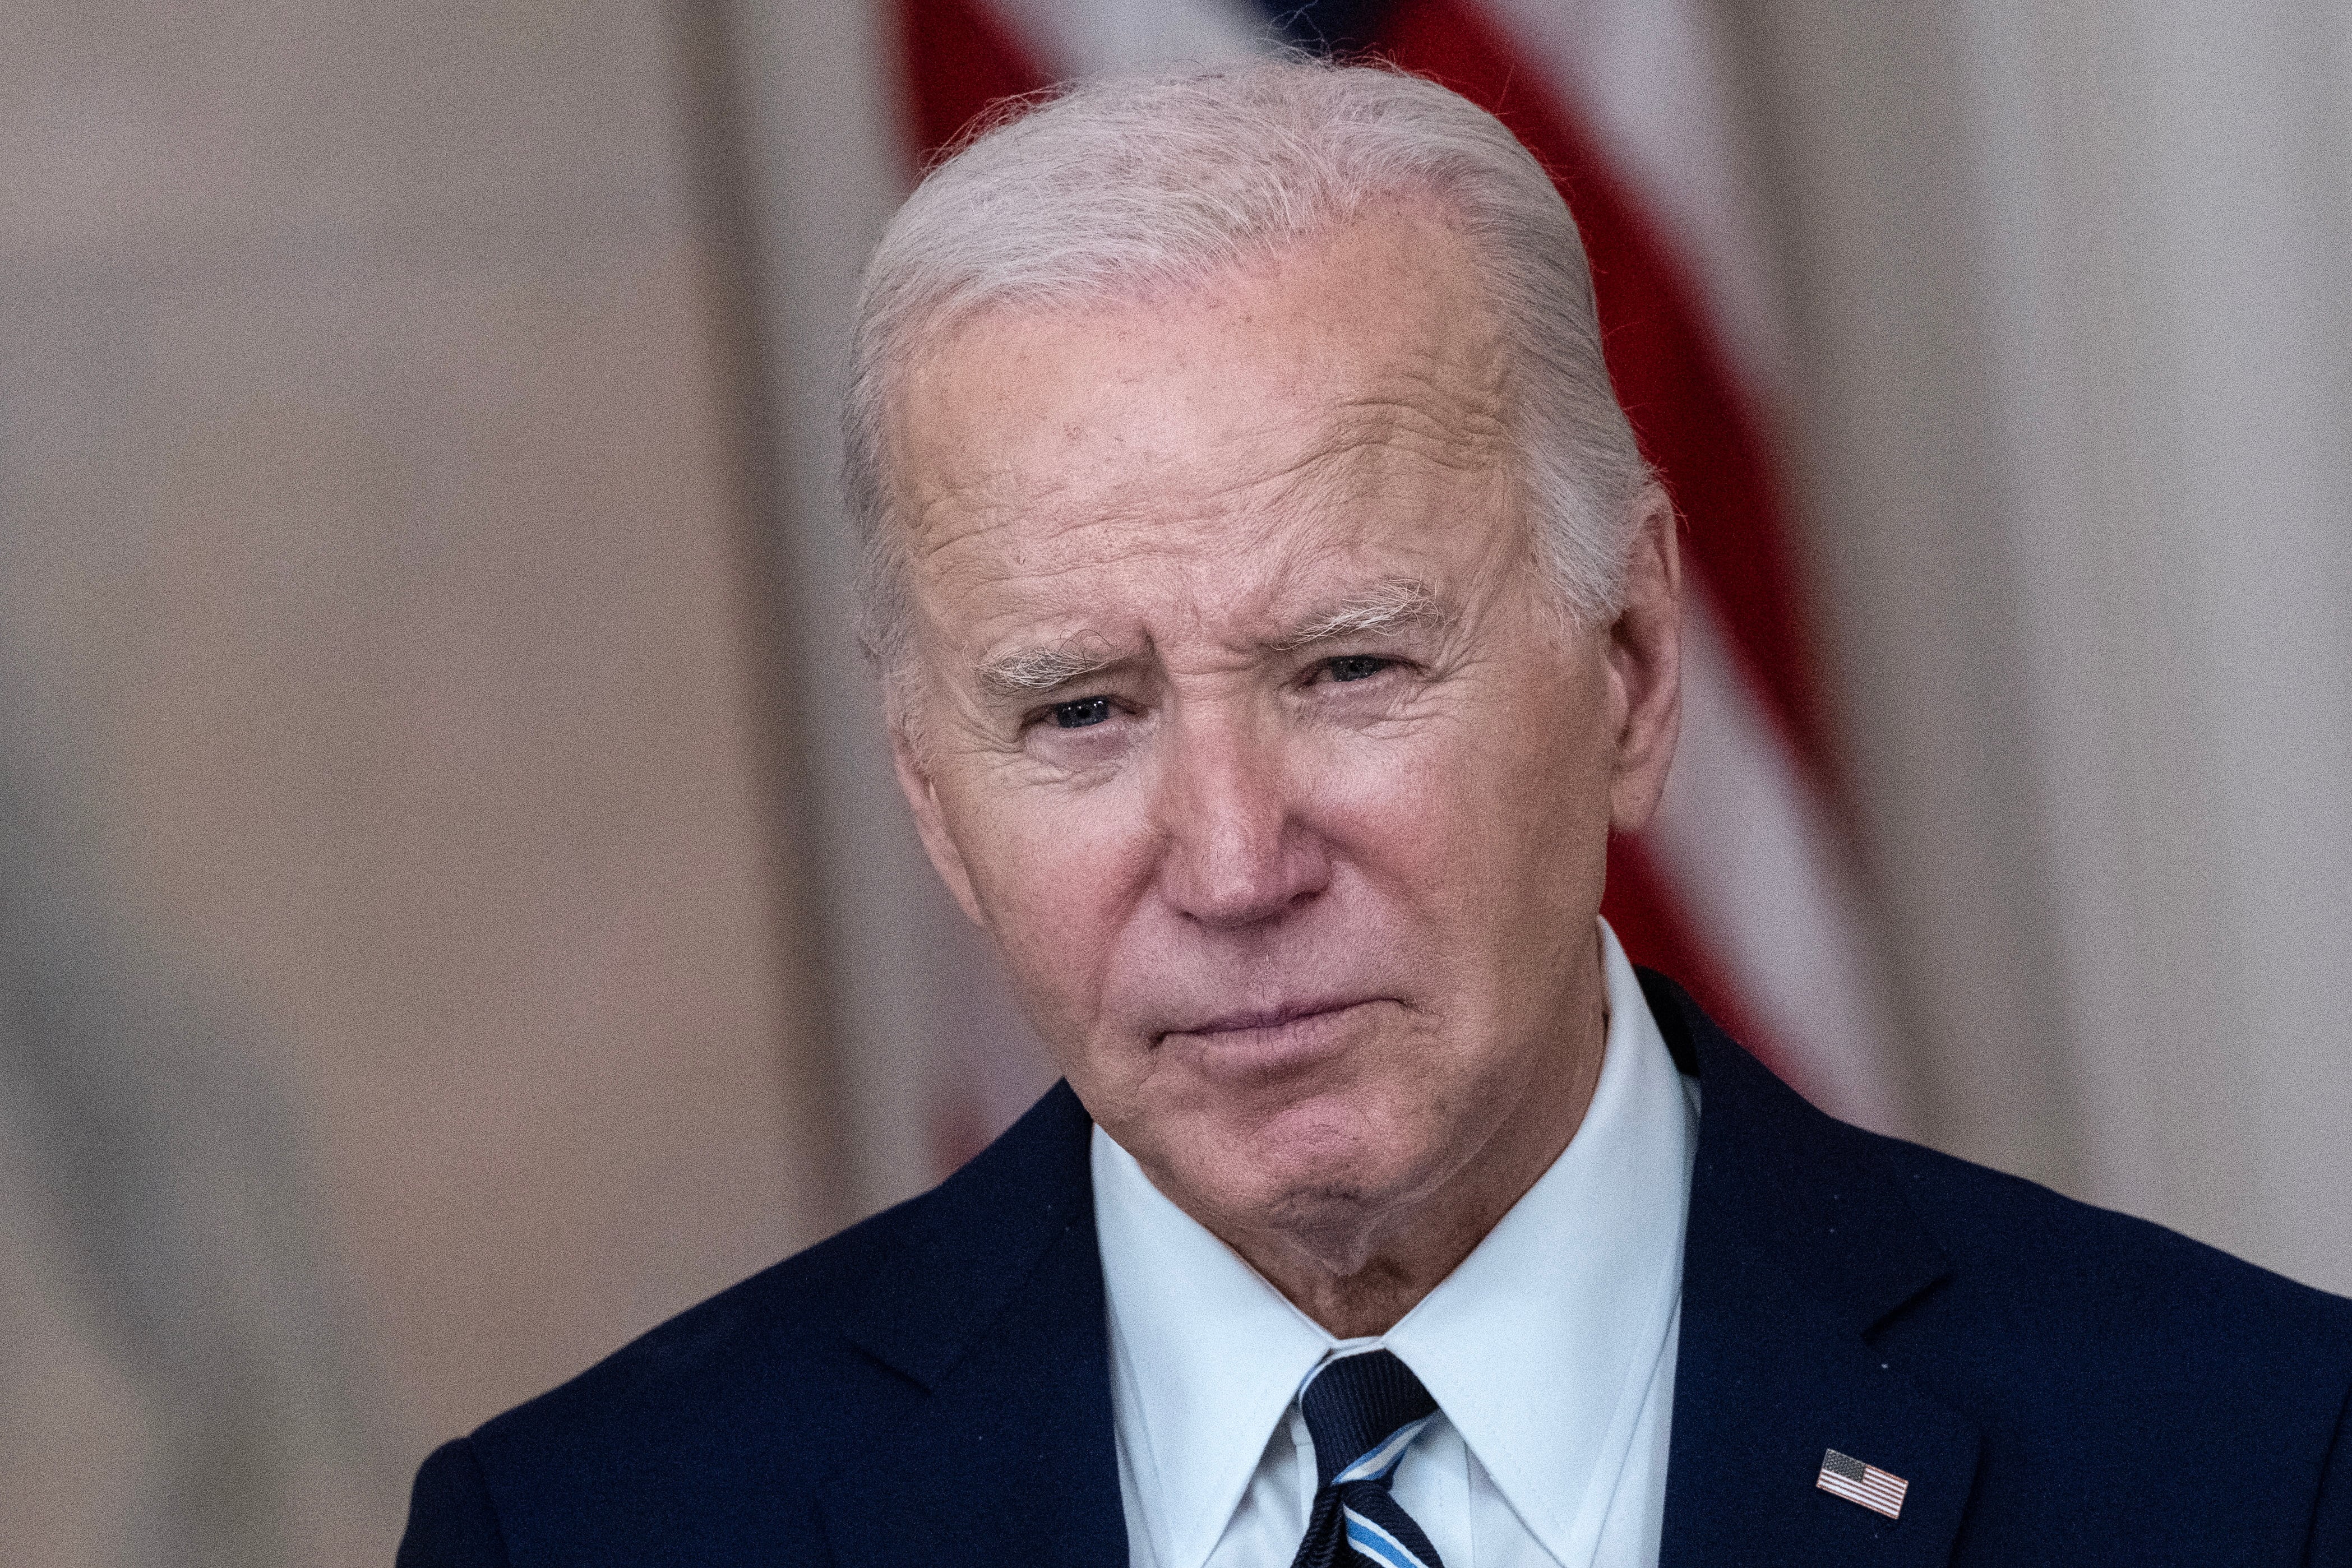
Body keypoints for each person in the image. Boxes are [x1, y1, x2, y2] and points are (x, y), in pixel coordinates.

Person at [398, 61, 2352, 1567]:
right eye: (1080, 709)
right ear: (930, 792)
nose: (1235, 866)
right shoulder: (592, 1532)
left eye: (1348, 668)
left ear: (1635, 669)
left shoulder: (2252, 1469)